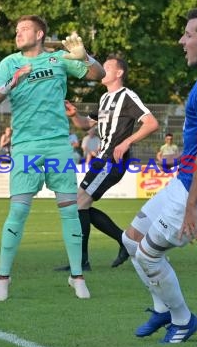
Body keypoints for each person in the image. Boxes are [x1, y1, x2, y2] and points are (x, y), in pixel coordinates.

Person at [120, 8, 197, 343]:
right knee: (131, 240)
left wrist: (191, 206)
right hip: (184, 185)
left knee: (148, 254)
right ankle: (162, 310)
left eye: (188, 35)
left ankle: (183, 320)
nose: (181, 41)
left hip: (196, 194)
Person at [0, 14, 105, 301]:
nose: (18, 33)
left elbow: (98, 75)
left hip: (58, 147)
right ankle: (3, 277)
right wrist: (10, 84)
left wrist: (85, 56)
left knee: (69, 211)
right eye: (16, 30)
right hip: (26, 147)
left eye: (24, 29)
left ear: (40, 34)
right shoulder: (9, 63)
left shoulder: (60, 59)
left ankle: (77, 276)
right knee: (18, 211)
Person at [57, 56, 159, 271]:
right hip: (101, 159)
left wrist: (127, 142)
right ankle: (121, 243)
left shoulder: (127, 96)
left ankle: (83, 261)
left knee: (79, 203)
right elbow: (87, 125)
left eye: (107, 67)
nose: (102, 70)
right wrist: (74, 116)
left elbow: (151, 123)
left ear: (119, 73)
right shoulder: (104, 99)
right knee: (79, 204)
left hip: (113, 160)